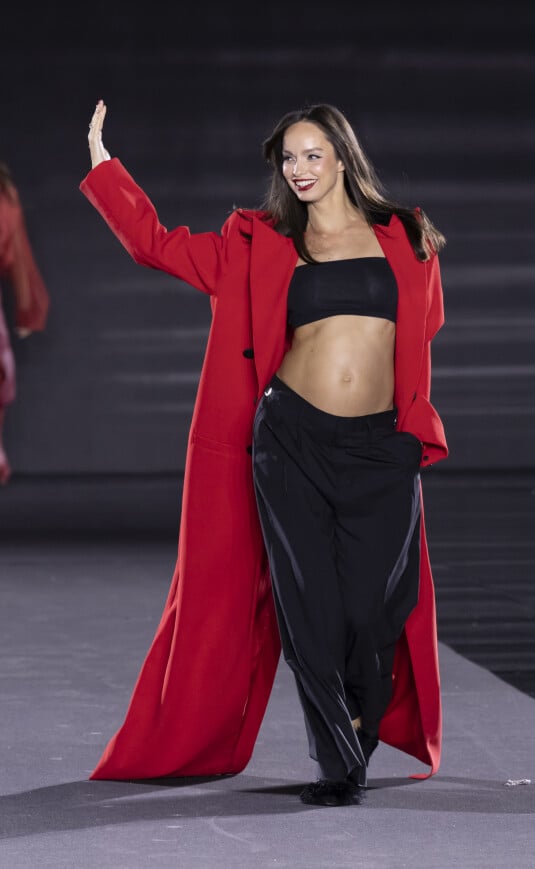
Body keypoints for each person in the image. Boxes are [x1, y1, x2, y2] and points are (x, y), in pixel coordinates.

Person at [81, 99, 448, 807]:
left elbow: (421, 326)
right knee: (308, 604)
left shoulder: (404, 235)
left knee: (375, 608)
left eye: (313, 154)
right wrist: (104, 165)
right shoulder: (258, 242)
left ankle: (360, 725)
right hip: (290, 442)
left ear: (343, 157)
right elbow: (156, 243)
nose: (300, 169)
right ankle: (338, 764)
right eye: (288, 158)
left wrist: (405, 429)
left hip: (381, 448)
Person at [0, 162, 50, 484]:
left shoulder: (5, 195)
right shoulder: (6, 195)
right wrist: (27, 306)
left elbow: (17, 253)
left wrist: (27, 305)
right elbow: (16, 252)